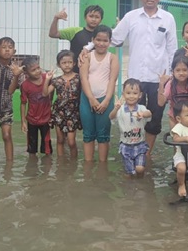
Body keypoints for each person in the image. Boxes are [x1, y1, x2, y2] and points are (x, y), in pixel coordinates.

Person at [109, 0, 177, 154]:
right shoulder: (131, 16)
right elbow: (114, 38)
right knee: (132, 117)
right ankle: (132, 149)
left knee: (154, 119)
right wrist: (89, 47)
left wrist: (170, 76)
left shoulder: (168, 19)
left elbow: (172, 49)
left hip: (158, 79)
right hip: (136, 80)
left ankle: (146, 155)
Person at [79, 25, 119, 162]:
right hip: (86, 99)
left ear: (110, 42)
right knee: (88, 134)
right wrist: (91, 98)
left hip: (105, 99)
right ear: (93, 40)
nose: (101, 43)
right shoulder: (87, 57)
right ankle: (88, 166)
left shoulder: (112, 58)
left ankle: (103, 167)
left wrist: (107, 101)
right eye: (98, 40)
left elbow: (112, 80)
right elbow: (84, 78)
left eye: (105, 40)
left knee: (103, 135)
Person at [109, 78, 152, 177]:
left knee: (140, 169)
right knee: (130, 173)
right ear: (123, 94)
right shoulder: (120, 110)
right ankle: (130, 187)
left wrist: (143, 114)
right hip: (125, 145)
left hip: (140, 144)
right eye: (128, 93)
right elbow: (111, 117)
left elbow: (149, 113)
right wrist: (115, 109)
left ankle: (141, 183)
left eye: (135, 93)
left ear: (140, 95)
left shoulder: (141, 108)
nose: (131, 96)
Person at [158, 54, 188, 131]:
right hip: (174, 117)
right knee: (177, 139)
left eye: (184, 70)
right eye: (178, 70)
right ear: (173, 72)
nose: (181, 73)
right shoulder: (170, 84)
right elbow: (161, 103)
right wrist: (161, 84)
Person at [47, 50, 82, 158]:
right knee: (60, 140)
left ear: (74, 63)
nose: (67, 65)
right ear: (59, 65)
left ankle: (73, 163)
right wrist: (47, 80)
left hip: (73, 113)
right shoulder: (56, 80)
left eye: (69, 62)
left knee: (71, 142)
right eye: (64, 62)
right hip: (59, 112)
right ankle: (60, 164)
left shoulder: (79, 78)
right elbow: (46, 93)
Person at [49, 5, 103, 72]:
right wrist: (56, 18)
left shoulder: (103, 35)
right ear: (85, 17)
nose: (93, 19)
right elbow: (53, 34)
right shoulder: (74, 31)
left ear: (101, 20)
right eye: (91, 16)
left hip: (96, 73)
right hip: (75, 74)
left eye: (97, 17)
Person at [17, 57, 53, 157]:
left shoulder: (47, 77)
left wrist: (50, 104)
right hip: (32, 119)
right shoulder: (25, 85)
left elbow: (52, 89)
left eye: (38, 68)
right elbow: (23, 103)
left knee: (47, 147)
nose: (37, 71)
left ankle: (46, 170)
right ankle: (32, 170)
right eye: (33, 70)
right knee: (32, 148)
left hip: (46, 118)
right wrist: (23, 121)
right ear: (26, 72)